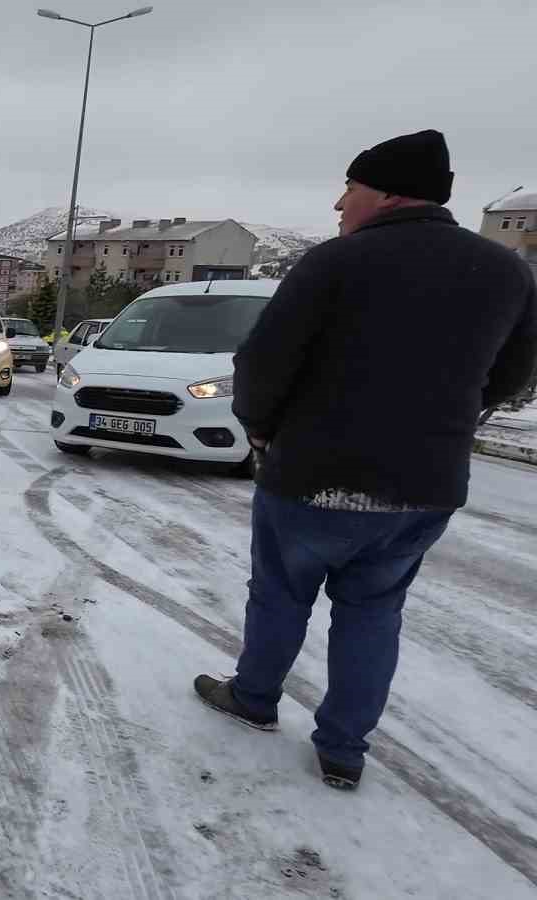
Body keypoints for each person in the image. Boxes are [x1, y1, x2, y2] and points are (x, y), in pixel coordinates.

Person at [193, 130, 537, 791]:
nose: (339, 203)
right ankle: (344, 749)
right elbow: (512, 375)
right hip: (425, 485)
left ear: (386, 194)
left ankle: (254, 698)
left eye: (349, 187)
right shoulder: (507, 272)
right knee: (374, 611)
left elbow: (261, 364)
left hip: (314, 476)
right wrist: (444, 421)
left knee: (280, 594)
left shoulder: (337, 262)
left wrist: (260, 431)